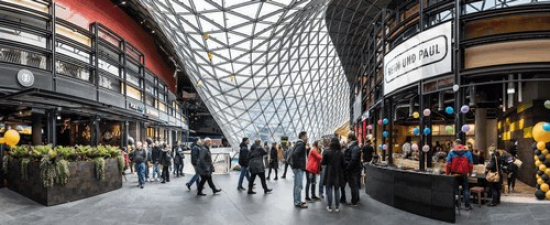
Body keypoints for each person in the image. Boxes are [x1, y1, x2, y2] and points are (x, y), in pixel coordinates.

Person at [445, 139, 473, 210]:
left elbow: (448, 164)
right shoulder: (467, 152)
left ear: (457, 144)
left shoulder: (451, 152)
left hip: (454, 174)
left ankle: (457, 204)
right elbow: (470, 164)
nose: (453, 145)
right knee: (466, 190)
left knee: (455, 190)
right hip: (464, 174)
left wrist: (447, 173)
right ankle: (467, 206)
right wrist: (470, 173)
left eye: (454, 143)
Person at [321, 137, 345, 213]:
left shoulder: (326, 151)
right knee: (337, 189)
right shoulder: (340, 153)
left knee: (329, 189)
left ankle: (329, 206)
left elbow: (323, 163)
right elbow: (343, 164)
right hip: (337, 172)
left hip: (329, 172)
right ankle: (337, 207)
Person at [292, 131, 309, 208]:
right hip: (299, 168)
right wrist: (298, 166)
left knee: (296, 186)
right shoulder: (301, 144)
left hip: (297, 168)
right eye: (306, 136)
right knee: (298, 186)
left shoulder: (298, 143)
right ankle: (298, 202)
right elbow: (295, 154)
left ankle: (297, 201)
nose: (307, 137)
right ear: (302, 137)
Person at [345, 133, 361, 206]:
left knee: (353, 186)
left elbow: (353, 160)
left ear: (350, 138)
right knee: (355, 185)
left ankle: (354, 201)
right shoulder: (355, 147)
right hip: (354, 169)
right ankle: (356, 199)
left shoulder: (354, 148)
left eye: (347, 138)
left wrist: (347, 168)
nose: (346, 140)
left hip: (353, 170)